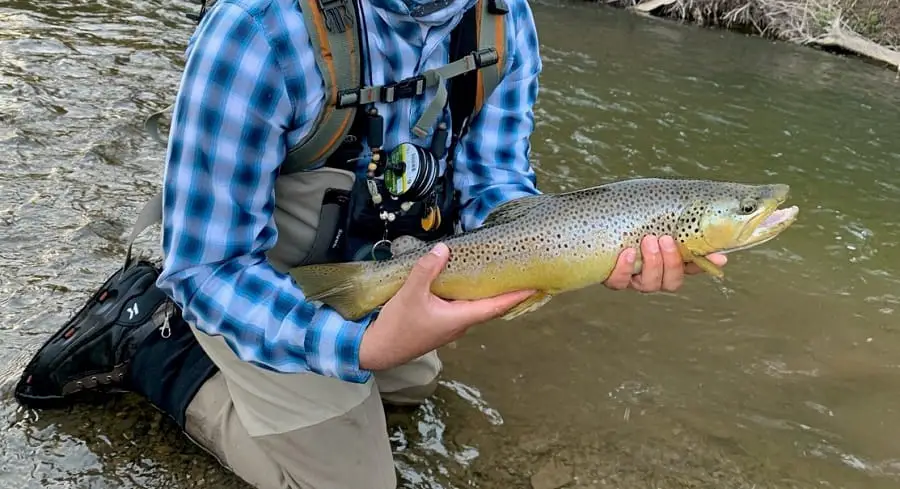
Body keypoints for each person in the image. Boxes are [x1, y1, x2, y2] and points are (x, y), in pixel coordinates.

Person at [14, 0, 727, 487]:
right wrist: (355, 349)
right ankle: (156, 348)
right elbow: (211, 262)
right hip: (238, 263)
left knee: (407, 388)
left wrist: (592, 241)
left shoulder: (501, 21)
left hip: (374, 253)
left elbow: (493, 182)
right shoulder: (260, 27)